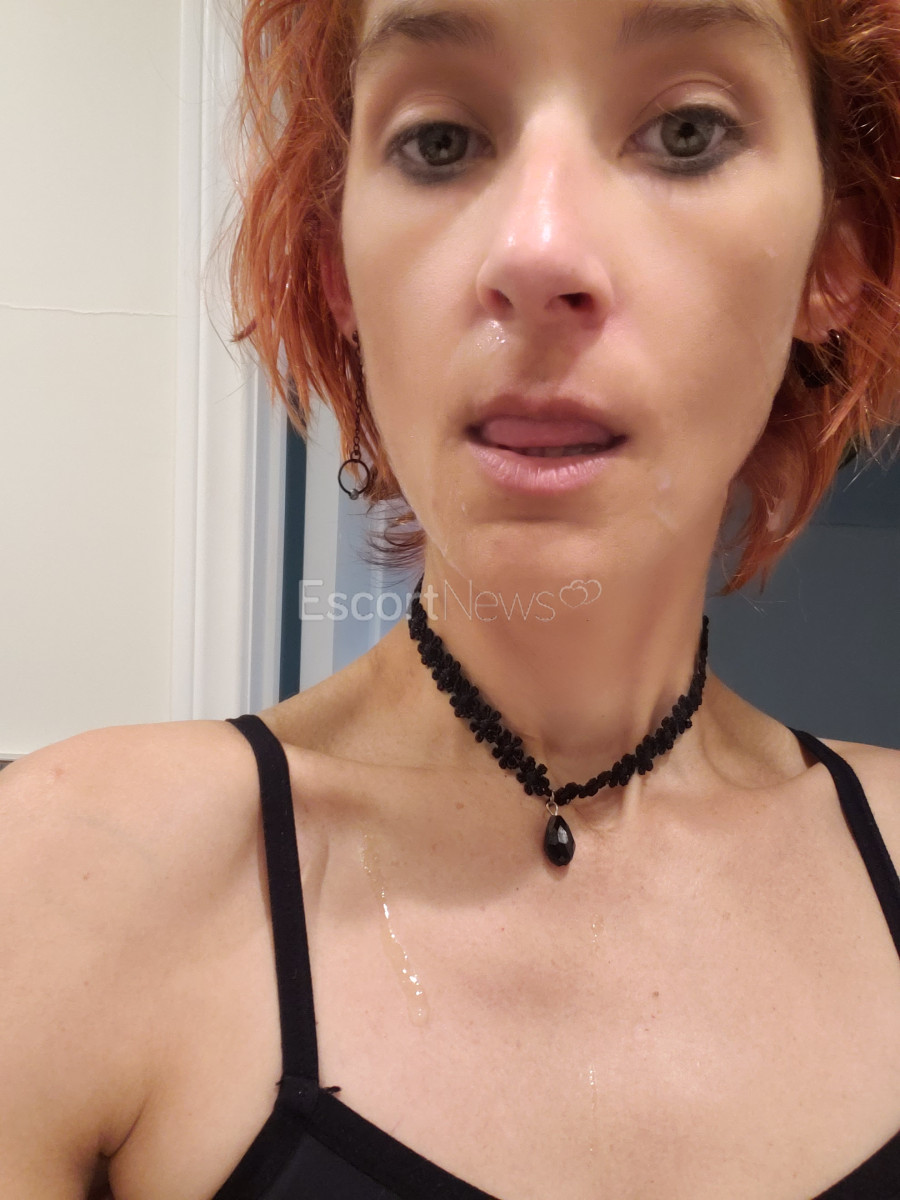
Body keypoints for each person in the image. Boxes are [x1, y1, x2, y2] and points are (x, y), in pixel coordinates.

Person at [3, 0, 900, 1196]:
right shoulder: (69, 884)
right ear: (337, 269)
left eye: (687, 132)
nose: (537, 252)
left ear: (836, 258)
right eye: (439, 141)